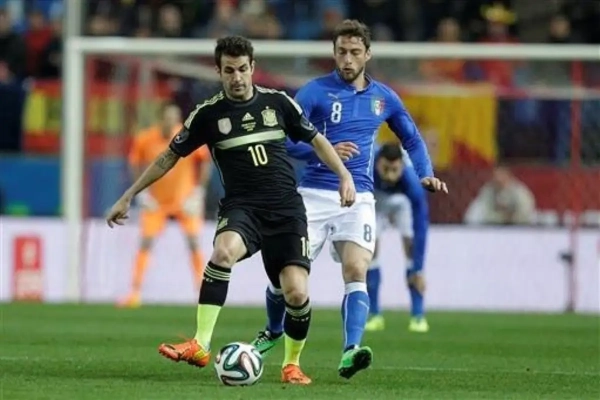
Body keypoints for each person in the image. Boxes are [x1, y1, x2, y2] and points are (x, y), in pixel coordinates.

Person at [105, 35, 356, 385]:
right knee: (222, 252)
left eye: (242, 69)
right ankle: (200, 344)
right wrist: (129, 195)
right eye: (229, 71)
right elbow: (168, 157)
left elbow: (317, 140)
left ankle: (291, 365)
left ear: (252, 68)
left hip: (286, 210)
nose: (236, 77)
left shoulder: (278, 103)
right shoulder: (208, 115)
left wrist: (344, 175)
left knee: (297, 293)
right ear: (219, 72)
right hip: (242, 207)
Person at [250, 19, 447, 380]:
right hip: (313, 196)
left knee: (357, 269)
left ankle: (350, 350)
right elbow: (283, 140)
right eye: (341, 52)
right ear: (334, 53)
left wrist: (425, 172)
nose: (347, 59)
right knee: (287, 280)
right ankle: (273, 330)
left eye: (355, 52)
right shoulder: (314, 92)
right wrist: (323, 150)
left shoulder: (384, 98)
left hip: (358, 197)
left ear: (367, 54)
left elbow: (412, 138)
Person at [118, 101, 211, 308]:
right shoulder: (145, 138)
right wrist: (142, 194)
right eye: (168, 118)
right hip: (157, 202)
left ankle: (204, 293)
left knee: (194, 242)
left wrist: (198, 192)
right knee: (146, 242)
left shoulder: (187, 135)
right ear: (160, 119)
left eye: (175, 118)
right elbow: (135, 163)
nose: (171, 122)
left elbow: (205, 160)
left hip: (184, 200)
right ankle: (135, 292)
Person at [365, 143, 430, 333]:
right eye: (385, 169)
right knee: (370, 250)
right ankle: (374, 314)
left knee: (411, 249)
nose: (390, 175)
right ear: (377, 163)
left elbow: (421, 225)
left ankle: (418, 316)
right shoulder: (367, 168)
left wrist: (418, 267)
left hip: (402, 201)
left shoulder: (412, 182)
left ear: (402, 166)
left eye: (395, 170)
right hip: (375, 198)